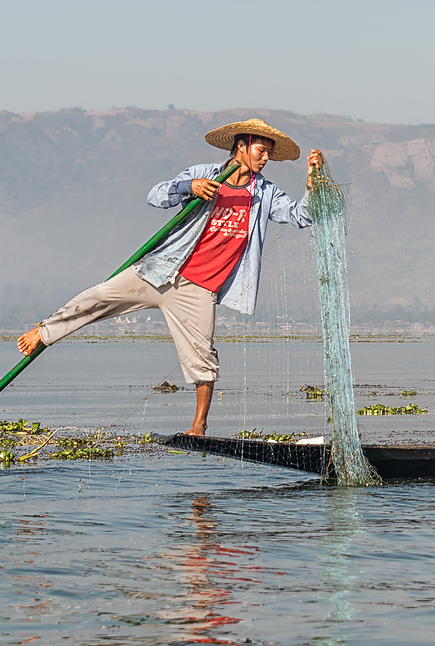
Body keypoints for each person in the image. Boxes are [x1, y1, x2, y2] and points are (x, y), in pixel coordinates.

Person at [16, 118, 322, 435]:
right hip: (162, 270)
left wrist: (312, 185)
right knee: (99, 296)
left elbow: (302, 216)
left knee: (204, 360)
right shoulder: (203, 174)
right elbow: (156, 195)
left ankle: (199, 426)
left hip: (200, 289)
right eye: (261, 150)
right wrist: (188, 188)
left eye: (269, 153)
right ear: (242, 146)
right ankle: (44, 332)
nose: (265, 159)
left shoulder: (265, 194)